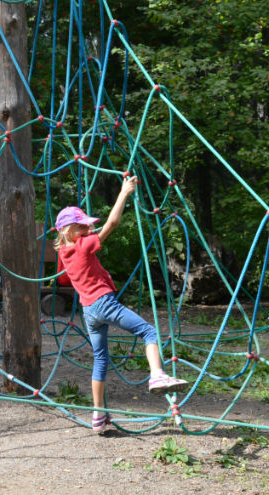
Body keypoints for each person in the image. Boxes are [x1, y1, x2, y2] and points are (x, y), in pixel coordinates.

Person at [54, 176, 188, 432]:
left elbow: (62, 279)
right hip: (103, 303)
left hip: (88, 310)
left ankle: (97, 415)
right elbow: (111, 224)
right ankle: (157, 375)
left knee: (100, 359)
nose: (87, 229)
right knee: (149, 332)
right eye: (82, 227)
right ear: (69, 231)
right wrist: (124, 192)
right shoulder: (82, 246)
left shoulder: (63, 253)